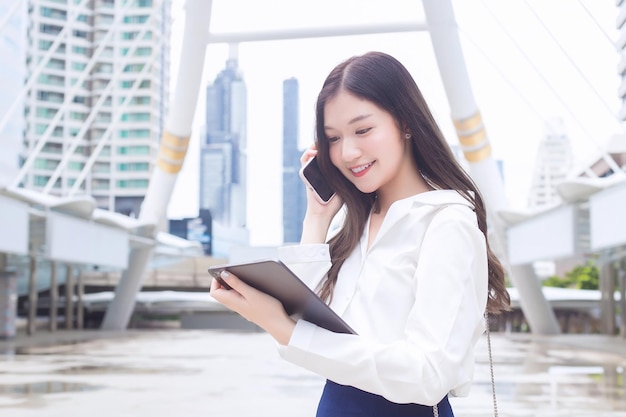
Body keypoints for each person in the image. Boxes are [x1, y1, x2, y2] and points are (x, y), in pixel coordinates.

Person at [210, 51, 511, 417]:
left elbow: (429, 374)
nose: (348, 152)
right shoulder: (359, 225)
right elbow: (309, 328)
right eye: (333, 138)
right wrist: (317, 217)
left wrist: (280, 327)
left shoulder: (446, 224)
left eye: (363, 130)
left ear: (405, 123)